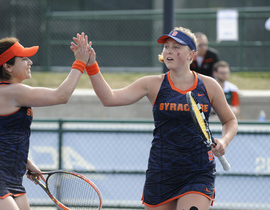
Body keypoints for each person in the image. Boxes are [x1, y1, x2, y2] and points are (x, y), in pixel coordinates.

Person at [71, 27, 238, 210]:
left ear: (191, 54)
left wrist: (224, 141)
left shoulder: (209, 85)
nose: (169, 51)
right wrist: (91, 65)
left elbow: (230, 121)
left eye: (176, 47)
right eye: (166, 47)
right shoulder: (152, 84)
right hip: (162, 170)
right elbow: (109, 98)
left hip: (197, 171)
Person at [0, 32, 91, 210]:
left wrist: (26, 162)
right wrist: (80, 62)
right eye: (24, 59)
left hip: (11, 179)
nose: (30, 62)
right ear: (8, 67)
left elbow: (2, 136)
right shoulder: (11, 92)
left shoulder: (13, 92)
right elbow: (61, 96)